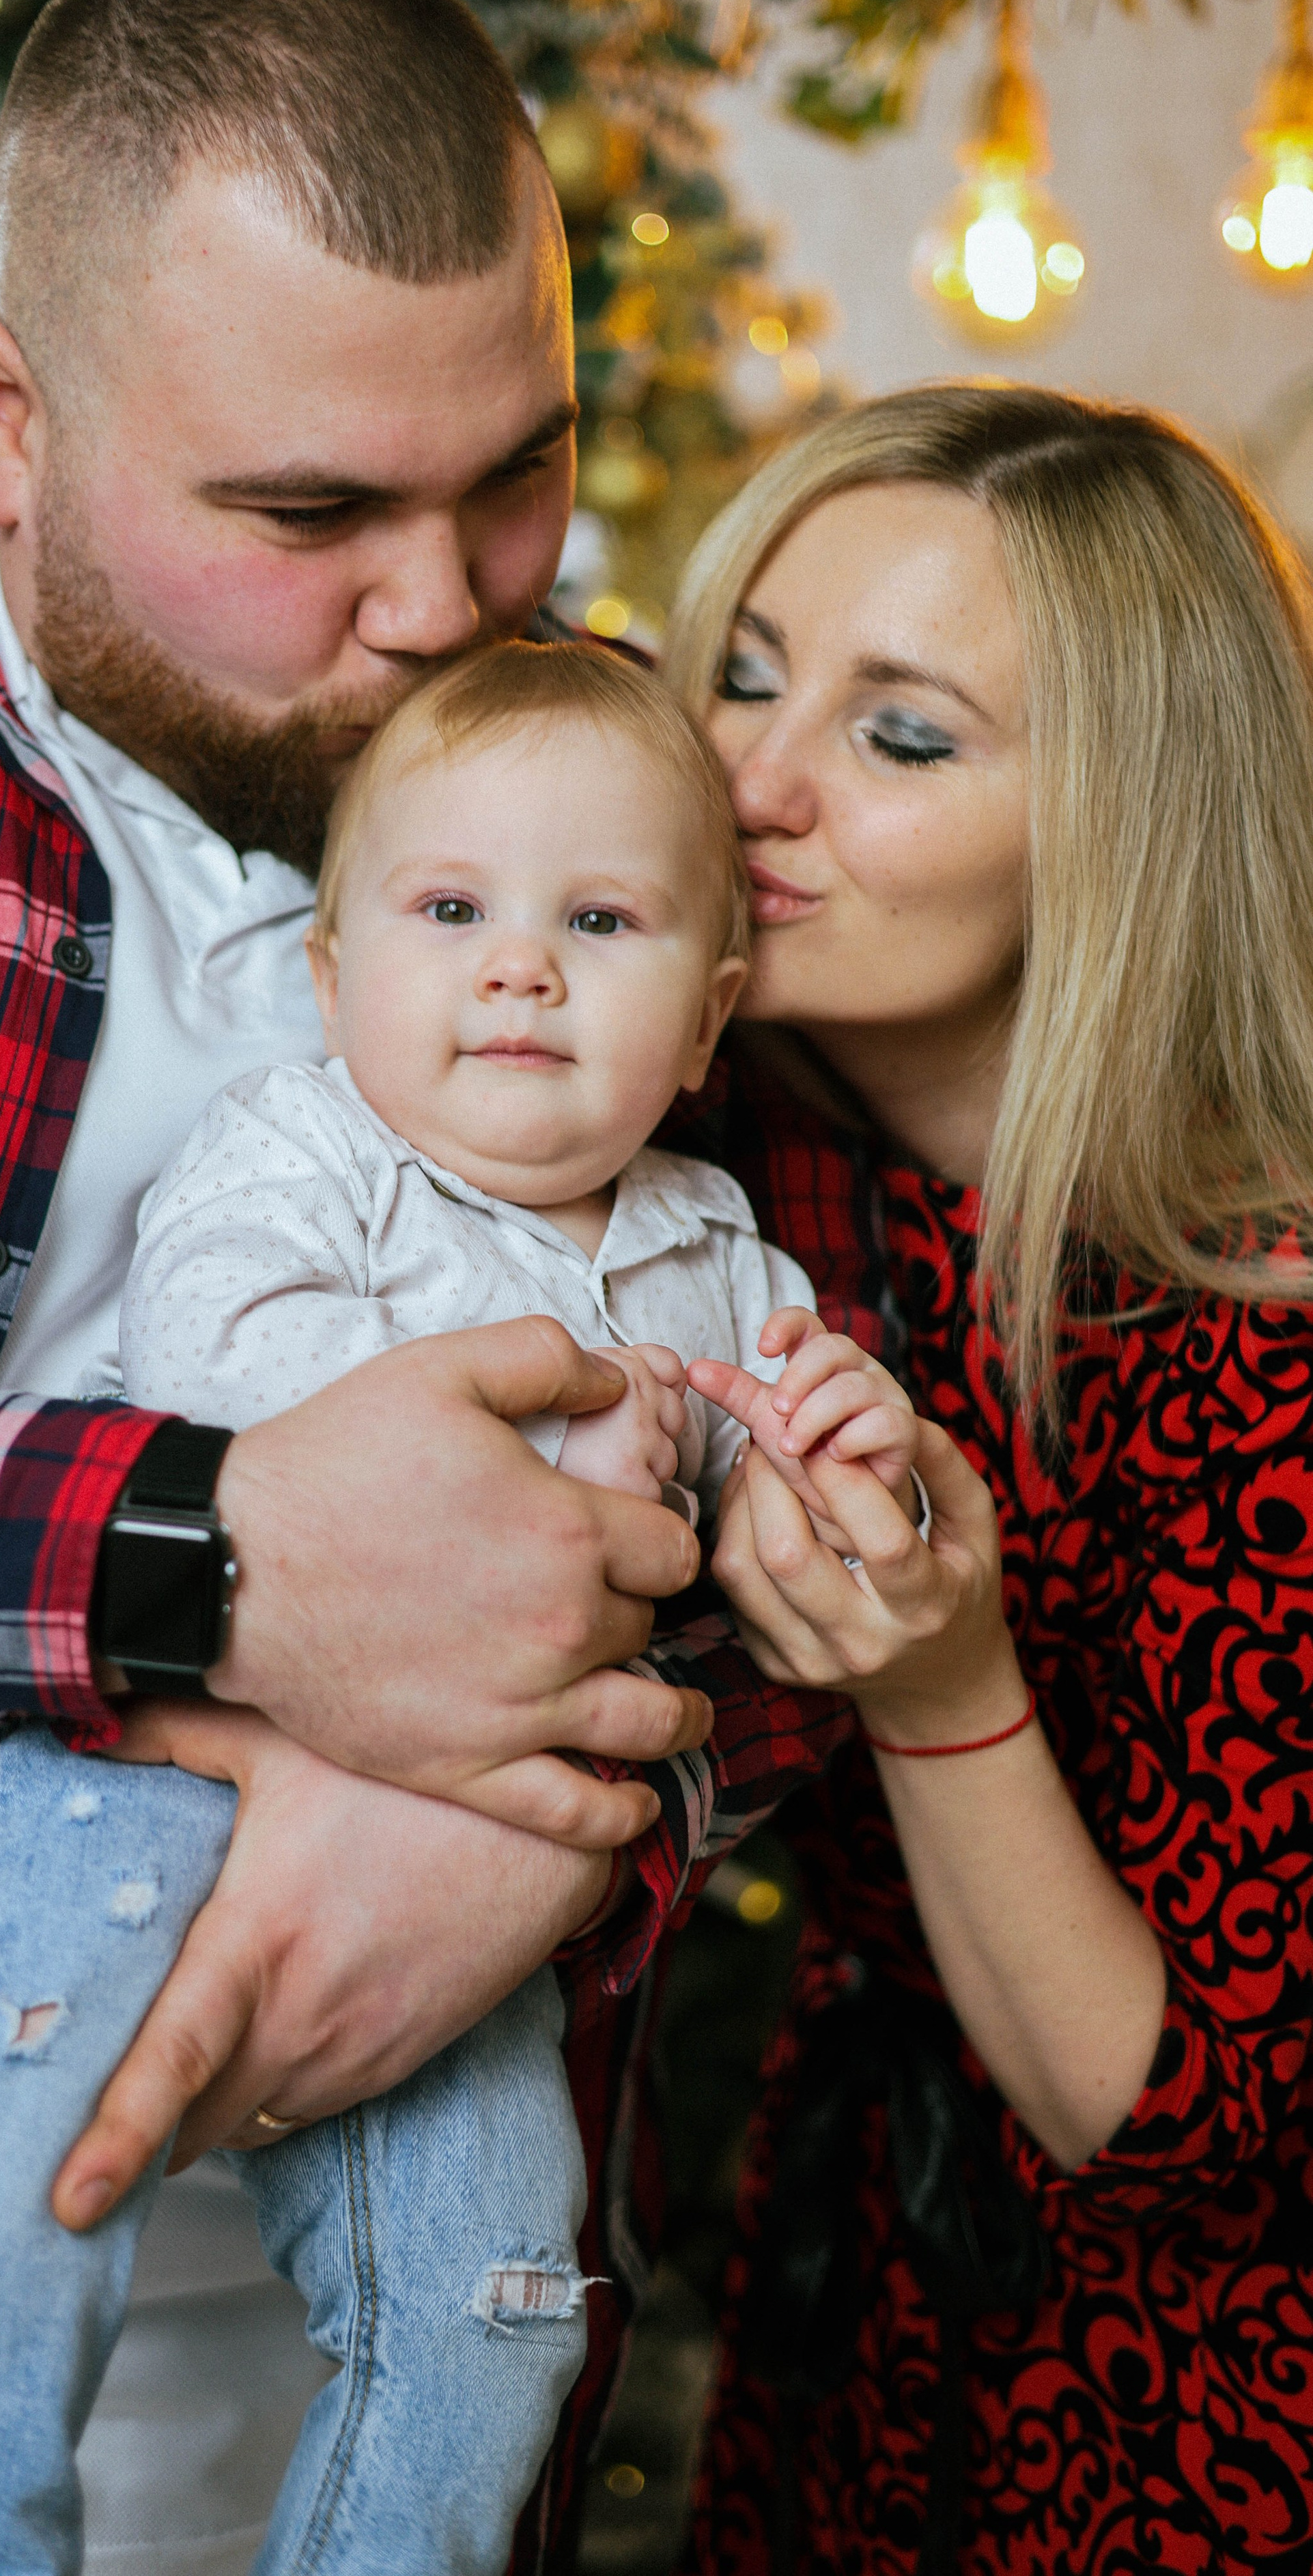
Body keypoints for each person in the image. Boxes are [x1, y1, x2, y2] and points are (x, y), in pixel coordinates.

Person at [0, 0, 852, 2569]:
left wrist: (569, 1795)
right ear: (7, 417)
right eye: (308, 515)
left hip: (332, 2462)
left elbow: (835, 1394)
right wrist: (205, 1556)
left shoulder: (591, 791)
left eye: (521, 474)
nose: (445, 606)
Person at [0, 642, 923, 2576]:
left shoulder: (712, 1252)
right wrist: (576, 1459)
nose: (521, 967)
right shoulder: (302, 1146)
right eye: (450, 912)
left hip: (458, 1872)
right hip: (126, 1776)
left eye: (599, 919)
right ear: (335, 984)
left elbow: (775, 1562)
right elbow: (229, 1366)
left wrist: (845, 1463)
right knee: (1, 2197)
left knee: (500, 2296)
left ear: (705, 1020)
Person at [653, 384, 1313, 2574]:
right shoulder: (746, 1182)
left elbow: (1172, 2140)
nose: (750, 782)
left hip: (1184, 2408)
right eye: (745, 675)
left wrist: (945, 1692)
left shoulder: (1265, 1334)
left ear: (1124, 827)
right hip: (845, 2310)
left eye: (903, 737)